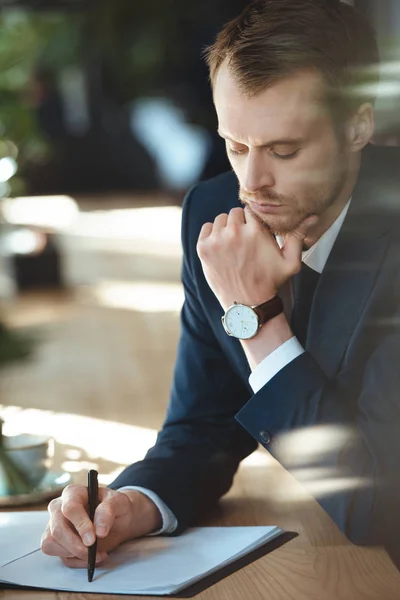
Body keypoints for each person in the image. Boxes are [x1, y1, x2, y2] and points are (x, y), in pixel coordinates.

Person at [41, 0, 400, 570]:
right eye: (236, 146)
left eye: (284, 151)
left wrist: (255, 317)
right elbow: (203, 424)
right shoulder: (212, 215)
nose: (252, 184)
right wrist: (135, 503)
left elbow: (375, 505)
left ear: (357, 126)